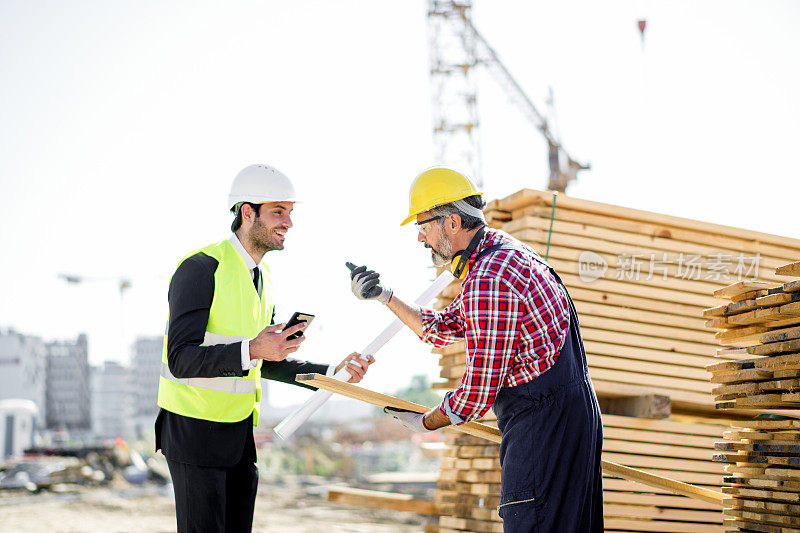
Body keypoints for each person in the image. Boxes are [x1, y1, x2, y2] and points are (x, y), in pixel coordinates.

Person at [346, 166, 603, 532]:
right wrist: (384, 296)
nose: (420, 238)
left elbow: (476, 395)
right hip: (569, 420)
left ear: (451, 222)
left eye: (423, 226)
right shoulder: (505, 253)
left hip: (543, 431)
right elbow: (442, 328)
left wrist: (424, 421)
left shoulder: (488, 278)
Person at [155, 163, 373, 533]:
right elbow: (180, 358)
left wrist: (333, 375)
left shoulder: (264, 278)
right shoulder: (200, 268)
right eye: (278, 212)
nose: (288, 222)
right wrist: (254, 348)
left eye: (290, 212)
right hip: (194, 435)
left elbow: (264, 362)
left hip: (238, 440)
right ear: (247, 212)